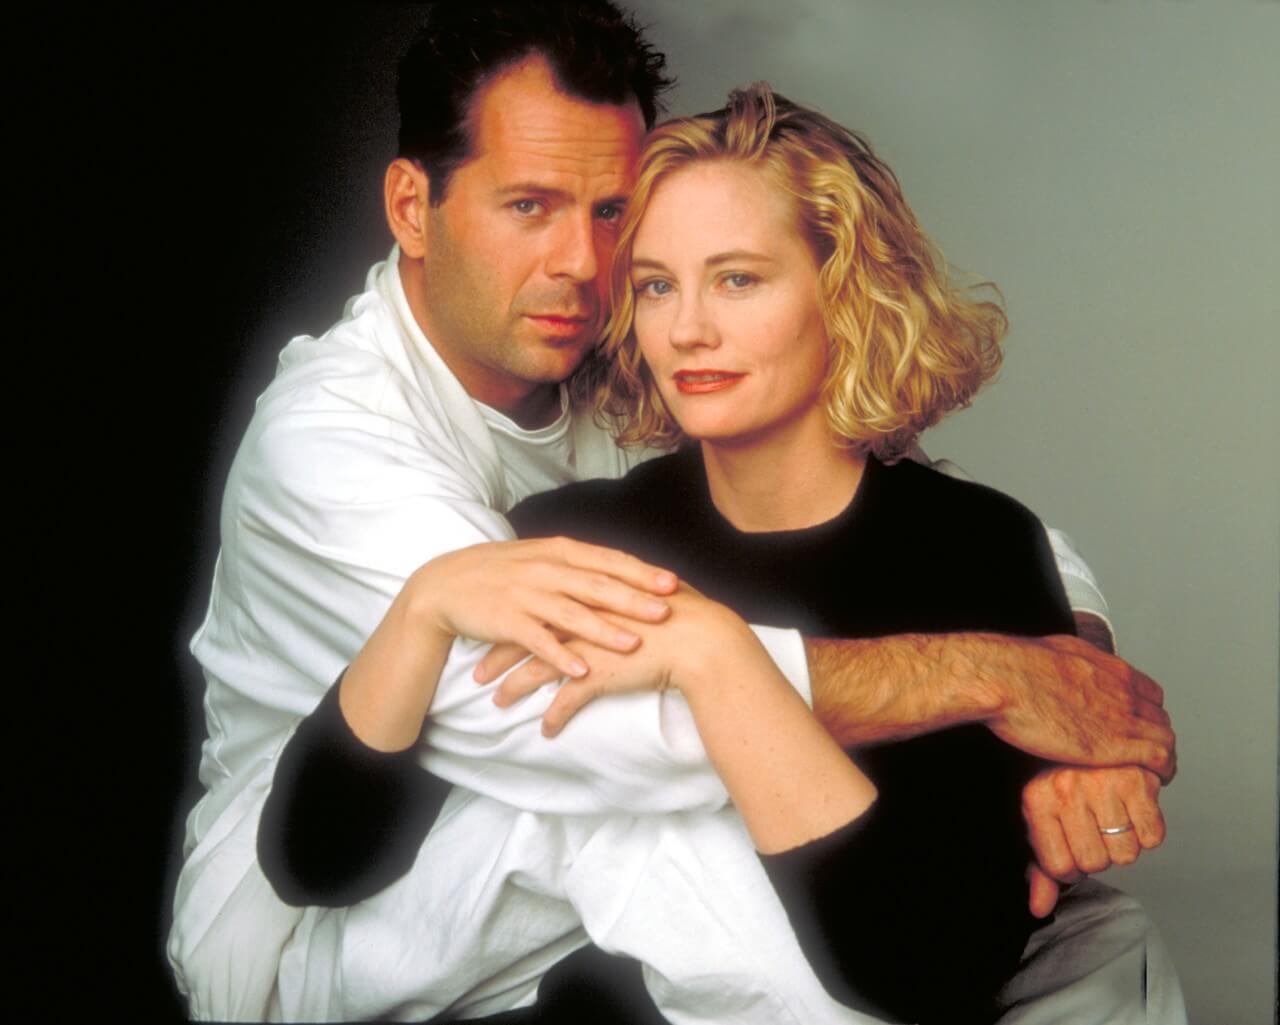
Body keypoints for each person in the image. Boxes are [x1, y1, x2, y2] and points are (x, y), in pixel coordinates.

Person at [168, 2, 1179, 1021]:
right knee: (658, 823)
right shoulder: (347, 444)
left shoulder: (946, 531)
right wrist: (983, 677)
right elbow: (353, 837)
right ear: (410, 207)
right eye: (654, 285)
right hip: (318, 934)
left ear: (844, 293)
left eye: (615, 217)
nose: (591, 270)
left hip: (787, 941)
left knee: (1105, 945)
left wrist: (1072, 697)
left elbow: (964, 551)